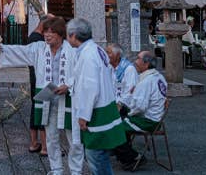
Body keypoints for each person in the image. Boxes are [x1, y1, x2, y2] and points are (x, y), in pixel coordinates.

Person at [0, 16, 84, 175]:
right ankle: (56, 169)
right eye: (45, 32)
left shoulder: (72, 50)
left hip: (69, 97)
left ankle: (76, 171)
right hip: (47, 97)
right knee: (51, 136)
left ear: (60, 34)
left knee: (74, 138)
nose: (47, 35)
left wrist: (69, 84)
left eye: (51, 32)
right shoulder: (38, 48)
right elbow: (20, 51)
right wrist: (2, 48)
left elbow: (82, 72)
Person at [67, 17, 125, 175]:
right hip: (104, 105)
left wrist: (84, 115)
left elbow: (90, 87)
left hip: (97, 111)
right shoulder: (95, 49)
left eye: (68, 35)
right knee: (99, 156)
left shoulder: (88, 54)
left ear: (73, 36)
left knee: (96, 156)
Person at [114, 50, 167, 171]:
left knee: (115, 127)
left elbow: (139, 107)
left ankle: (133, 157)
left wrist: (128, 113)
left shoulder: (147, 81)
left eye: (138, 59)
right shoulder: (158, 77)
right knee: (120, 118)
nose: (135, 61)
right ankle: (124, 155)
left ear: (146, 64)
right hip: (155, 118)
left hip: (148, 120)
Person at [26, 14, 52, 156]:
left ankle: (34, 142)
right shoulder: (38, 40)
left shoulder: (33, 37)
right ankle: (44, 147)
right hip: (40, 79)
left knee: (35, 108)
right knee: (43, 108)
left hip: (35, 77)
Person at [105, 43, 139, 116]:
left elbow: (130, 93)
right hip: (113, 105)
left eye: (108, 53)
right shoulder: (109, 68)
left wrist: (119, 105)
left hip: (125, 108)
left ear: (117, 55)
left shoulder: (129, 69)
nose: (106, 55)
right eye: (106, 52)